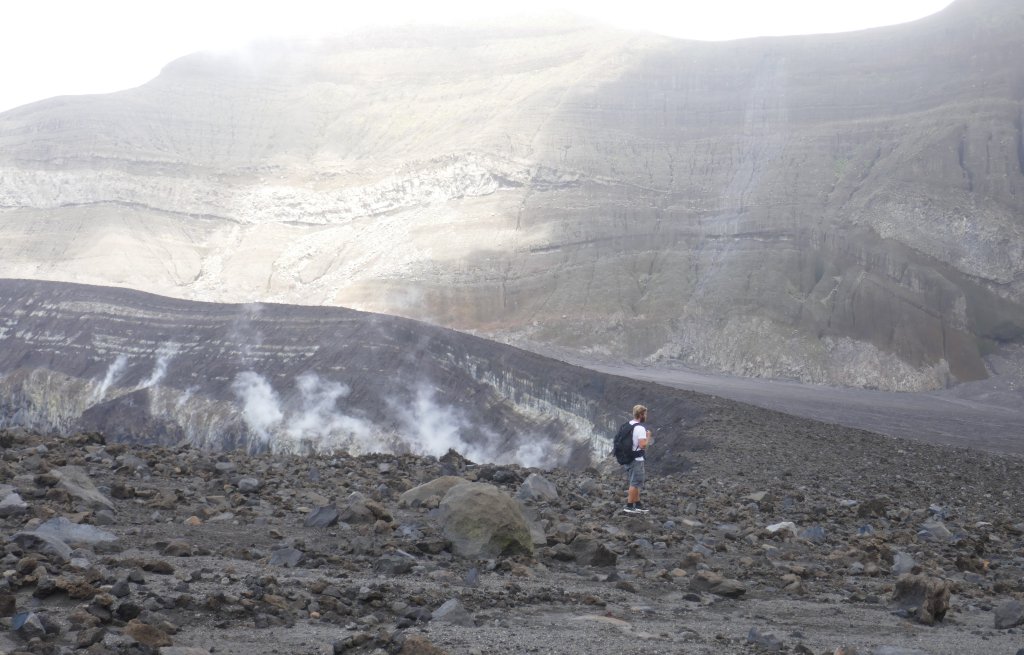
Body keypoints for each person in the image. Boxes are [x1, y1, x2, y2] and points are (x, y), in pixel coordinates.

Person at [623, 404, 651, 514]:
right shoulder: (640, 428)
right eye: (645, 414)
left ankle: (638, 504)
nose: (646, 416)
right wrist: (648, 437)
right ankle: (629, 506)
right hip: (637, 459)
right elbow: (643, 445)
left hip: (628, 458)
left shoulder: (629, 424)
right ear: (641, 414)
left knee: (635, 482)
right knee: (635, 483)